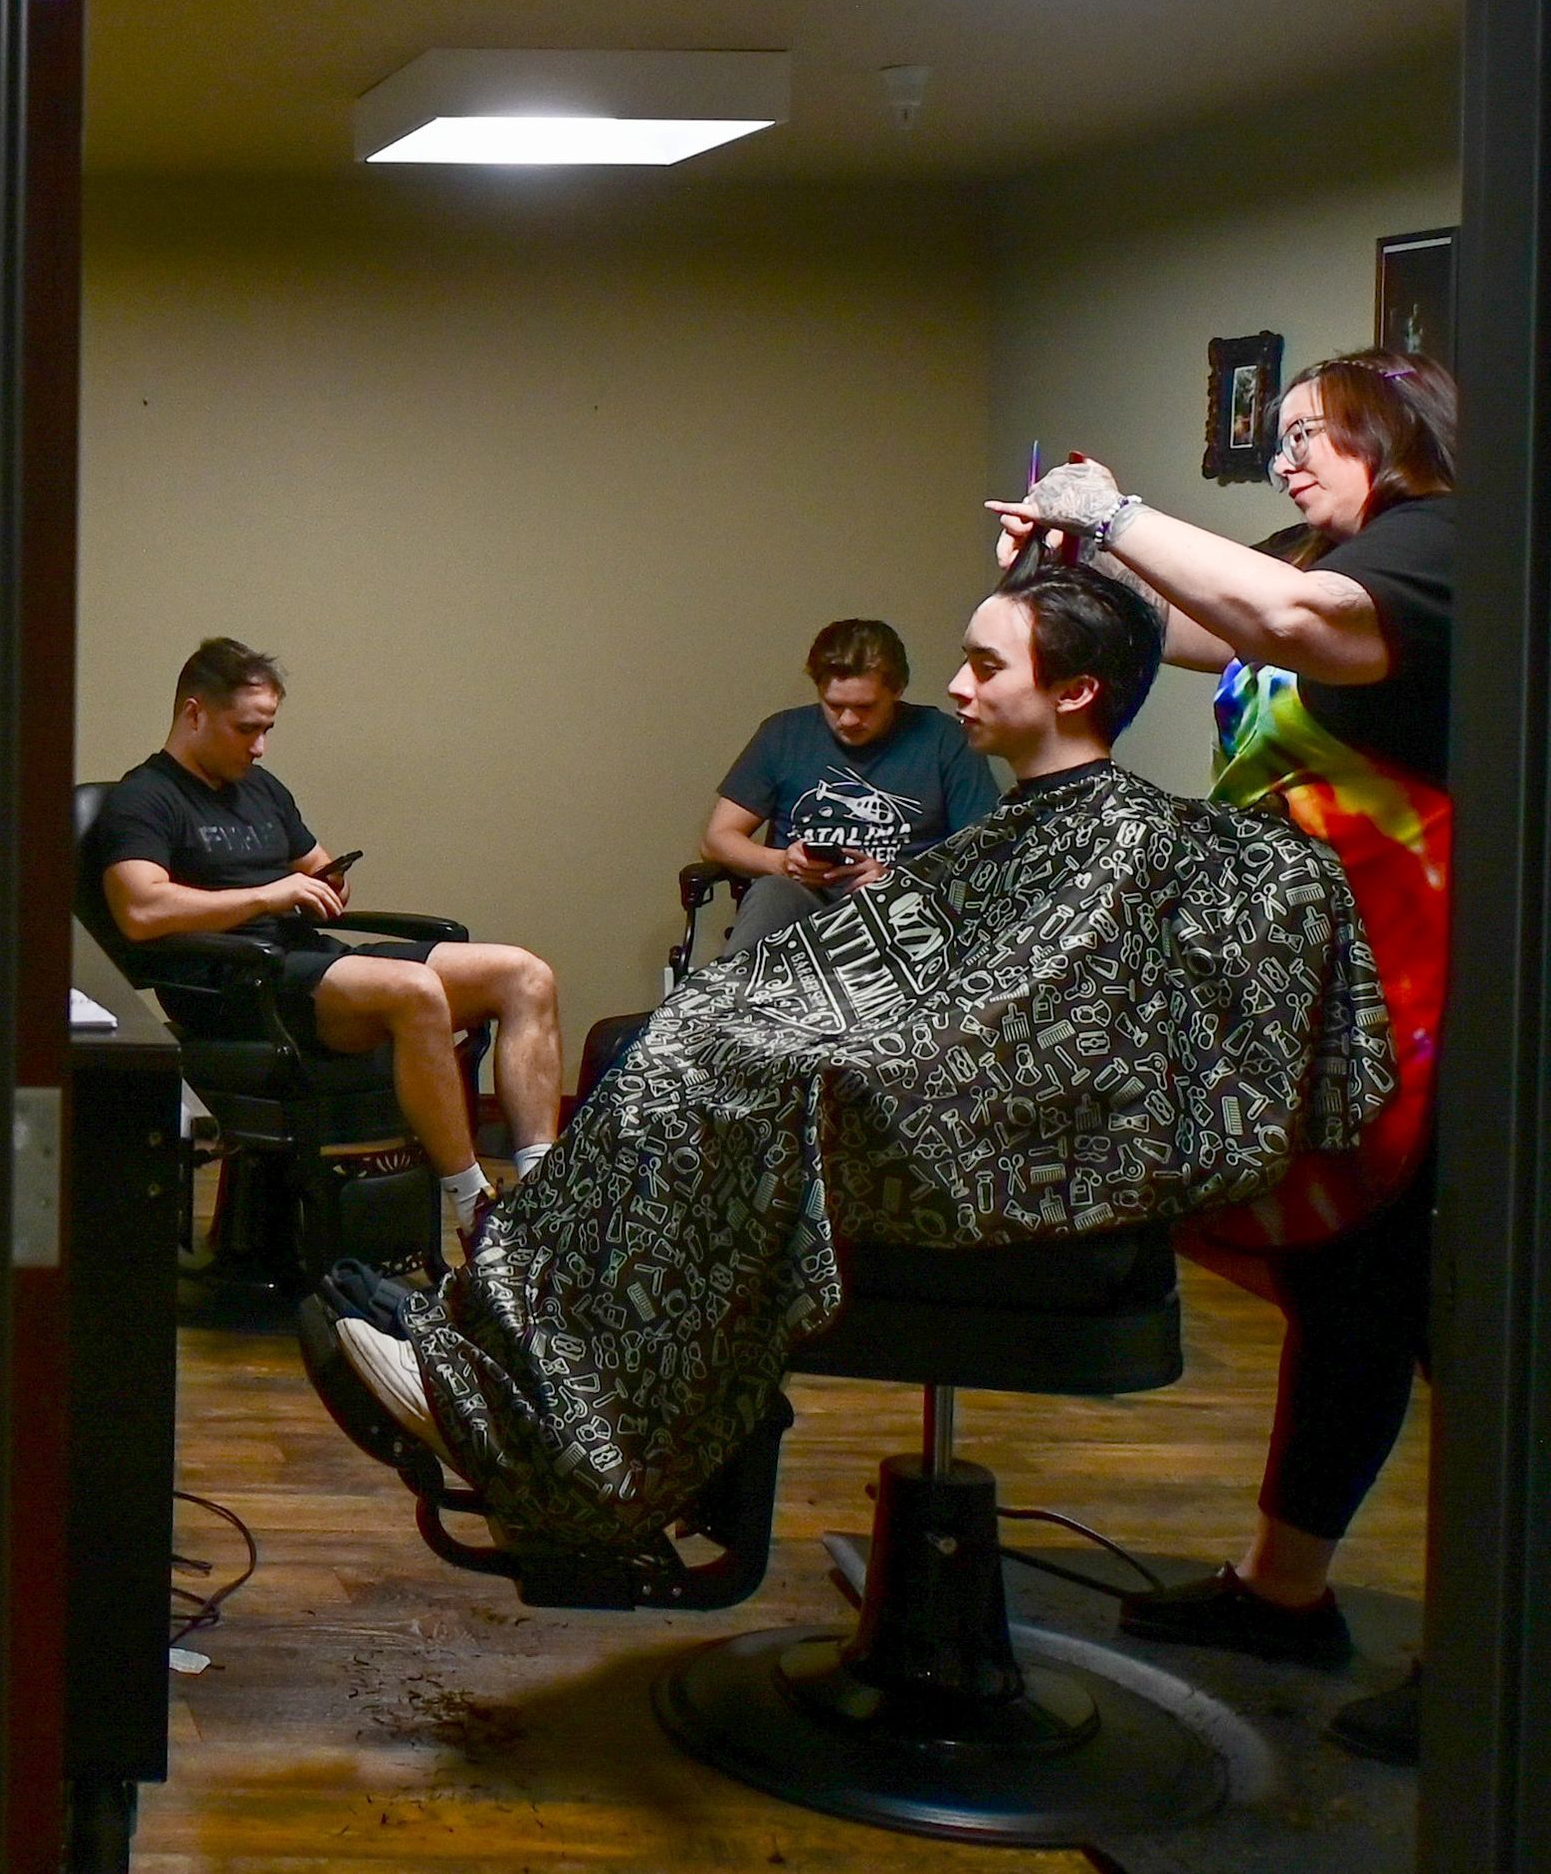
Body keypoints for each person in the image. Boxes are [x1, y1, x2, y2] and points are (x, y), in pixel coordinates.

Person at [325, 561, 1392, 1564]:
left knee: (710, 1084)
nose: (960, 687)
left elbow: (1013, 1022)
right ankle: (487, 1366)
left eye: (987, 665)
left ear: (1074, 691)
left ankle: (546, 1440)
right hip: (928, 1092)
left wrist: (817, 1052)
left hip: (976, 1151)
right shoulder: (1029, 820)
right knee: (668, 1056)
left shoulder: (1118, 841)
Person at [993, 351, 1454, 1762]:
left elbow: (1300, 622)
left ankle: (1494, 1646)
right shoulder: (1321, 547)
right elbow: (1209, 629)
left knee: (1452, 1324)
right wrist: (1069, 567)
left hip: (1428, 987)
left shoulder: (1436, 545)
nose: (1292, 460)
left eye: (1319, 435)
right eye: (1288, 435)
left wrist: (1118, 510)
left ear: (1402, 435)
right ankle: (1283, 1591)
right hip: (1323, 981)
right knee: (1350, 1295)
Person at [85, 638, 567, 1259]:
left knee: (524, 975)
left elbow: (312, 865)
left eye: (268, 730)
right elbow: (141, 909)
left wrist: (326, 878)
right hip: (234, 987)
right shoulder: (143, 798)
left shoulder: (260, 787)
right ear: (194, 713)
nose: (258, 746)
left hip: (308, 962)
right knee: (415, 991)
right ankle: (474, 1208)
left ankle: (541, 1195)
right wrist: (268, 895)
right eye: (246, 729)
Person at [699, 617, 999, 951]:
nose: (848, 720)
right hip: (802, 897)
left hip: (902, 906)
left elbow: (983, 854)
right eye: (834, 705)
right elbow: (717, 839)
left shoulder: (944, 739)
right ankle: (733, 1000)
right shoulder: (783, 734)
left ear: (897, 690)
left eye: (864, 706)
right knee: (771, 893)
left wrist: (899, 881)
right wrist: (781, 862)